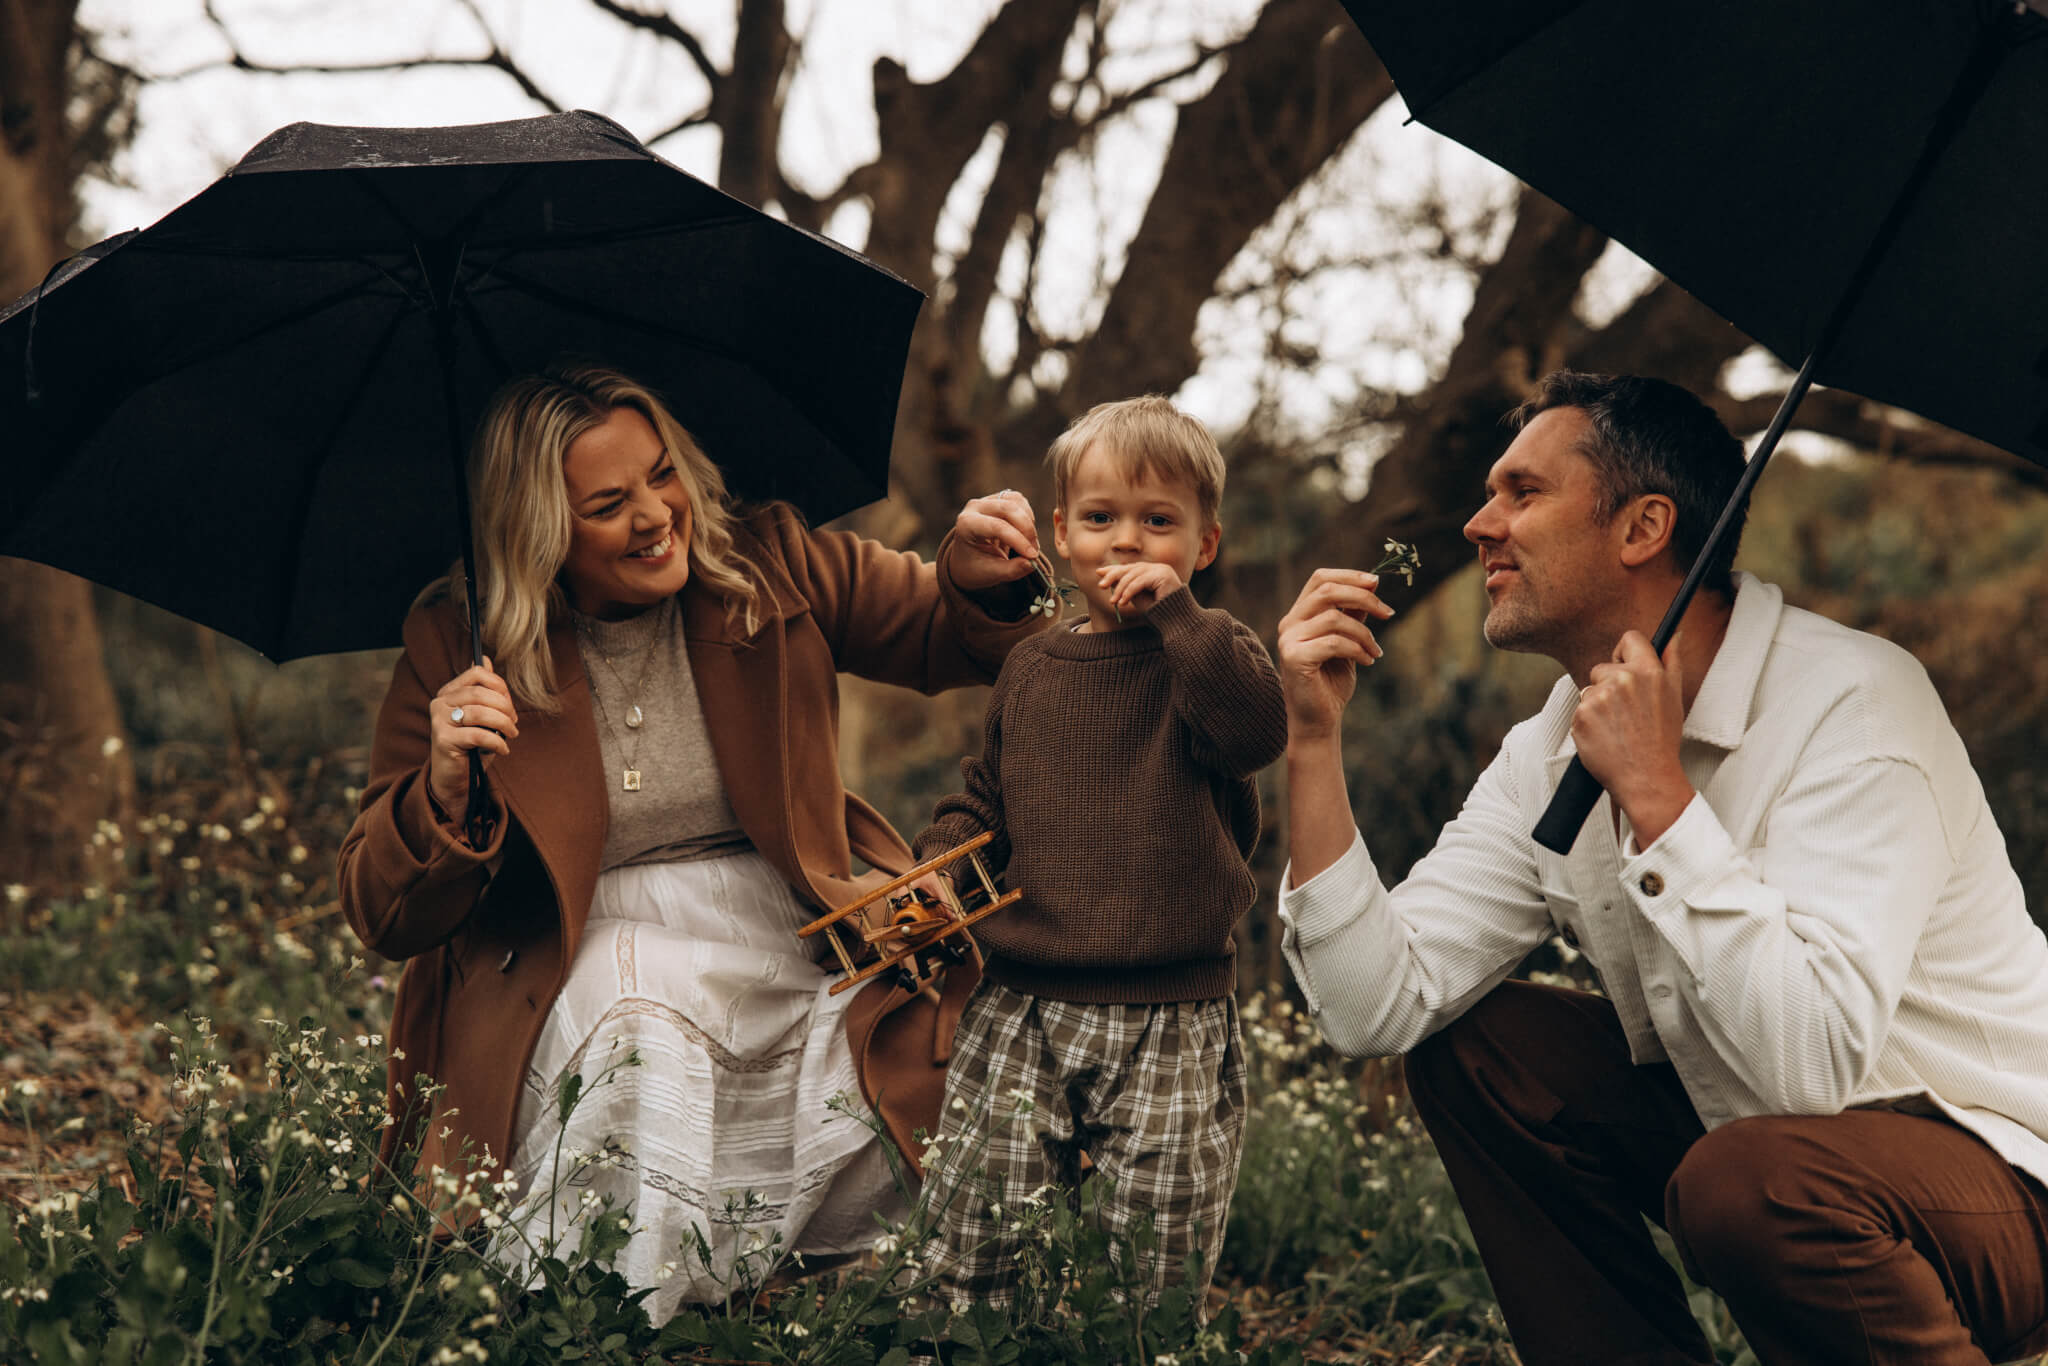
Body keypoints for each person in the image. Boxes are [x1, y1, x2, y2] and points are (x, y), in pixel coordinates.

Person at [1274, 371, 2048, 1366]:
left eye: (1520, 492)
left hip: (2001, 1185)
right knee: (1484, 1050)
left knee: (1747, 1178)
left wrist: (1656, 799)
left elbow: (1803, 1073)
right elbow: (1368, 1005)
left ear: (1642, 528)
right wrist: (1309, 742)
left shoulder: (1853, 702)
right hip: (1775, 1157)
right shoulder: (1549, 746)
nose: (1477, 524)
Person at [336, 362, 1051, 1318]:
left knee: (959, 1046)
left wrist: (971, 574)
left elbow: (938, 627)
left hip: (785, 925)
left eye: (661, 474)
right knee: (638, 1033)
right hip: (573, 953)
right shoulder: (458, 639)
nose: (655, 514)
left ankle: (782, 1290)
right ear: (540, 533)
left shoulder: (767, 562)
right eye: (607, 503)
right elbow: (381, 910)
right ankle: (605, 1315)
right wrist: (443, 786)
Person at [909, 395, 1289, 1309]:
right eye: (1101, 518)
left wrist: (1185, 620)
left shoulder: (1210, 652)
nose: (1127, 543)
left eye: (1159, 523)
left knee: (1154, 1240)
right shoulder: (1033, 669)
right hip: (1025, 996)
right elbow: (988, 802)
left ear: (1204, 546)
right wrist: (935, 875)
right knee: (978, 1221)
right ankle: (970, 1337)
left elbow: (1255, 735)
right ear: (1061, 537)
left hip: (1170, 1002)